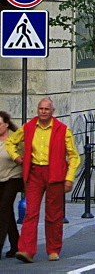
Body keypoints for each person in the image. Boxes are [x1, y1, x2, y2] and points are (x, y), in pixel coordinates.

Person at [6, 98, 81, 263]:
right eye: (41, 108)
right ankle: (26, 250)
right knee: (30, 212)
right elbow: (10, 142)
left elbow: (74, 156)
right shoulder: (28, 127)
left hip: (55, 173)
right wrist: (17, 157)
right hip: (34, 172)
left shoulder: (63, 130)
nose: (43, 111)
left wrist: (69, 178)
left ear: (53, 111)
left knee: (54, 214)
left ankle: (53, 249)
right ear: (37, 110)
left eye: (47, 109)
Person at [0, 111, 23, 259]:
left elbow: (24, 157)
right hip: (0, 178)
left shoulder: (15, 139)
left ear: (7, 124)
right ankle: (16, 245)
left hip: (14, 177)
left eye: (0, 124)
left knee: (3, 209)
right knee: (7, 210)